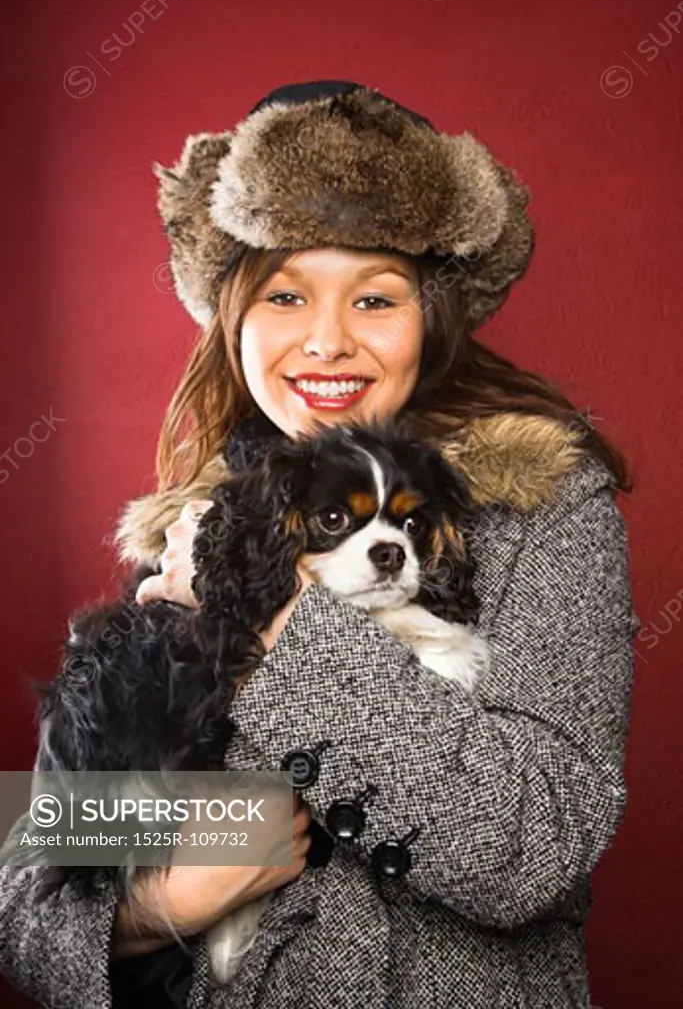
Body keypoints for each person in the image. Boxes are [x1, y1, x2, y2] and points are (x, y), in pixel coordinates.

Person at [0, 80, 640, 1009]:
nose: (328, 342)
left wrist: (273, 626)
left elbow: (535, 843)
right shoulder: (195, 529)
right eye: (286, 294)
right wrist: (159, 903)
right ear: (232, 319)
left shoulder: (540, 508)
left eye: (374, 299)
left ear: (431, 316)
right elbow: (27, 886)